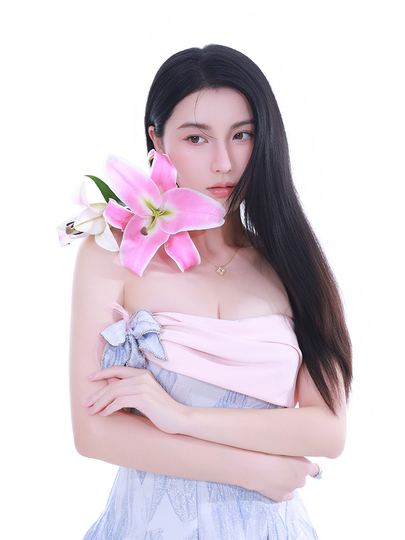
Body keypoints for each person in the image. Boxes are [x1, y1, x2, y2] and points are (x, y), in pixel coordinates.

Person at [70, 44, 352, 539]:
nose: (224, 162)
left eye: (242, 135)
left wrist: (180, 417)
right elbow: (93, 432)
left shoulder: (290, 262)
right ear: (157, 139)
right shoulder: (112, 253)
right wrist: (252, 470)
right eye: (196, 137)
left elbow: (327, 431)